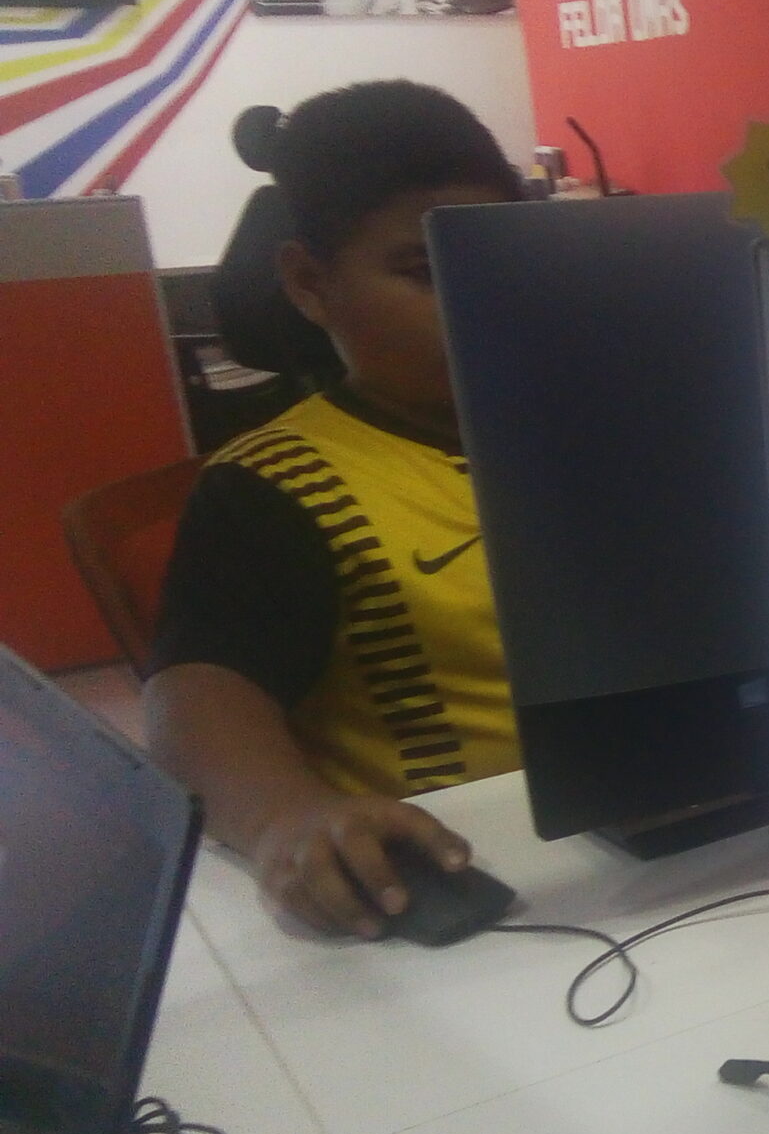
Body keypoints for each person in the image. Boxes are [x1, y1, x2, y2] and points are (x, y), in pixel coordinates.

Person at [147, 82, 523, 939]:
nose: (477, 299)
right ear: (310, 283)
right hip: (459, 882)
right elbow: (196, 694)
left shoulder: (589, 430)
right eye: (423, 273)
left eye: (498, 258)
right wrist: (286, 816)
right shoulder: (277, 488)